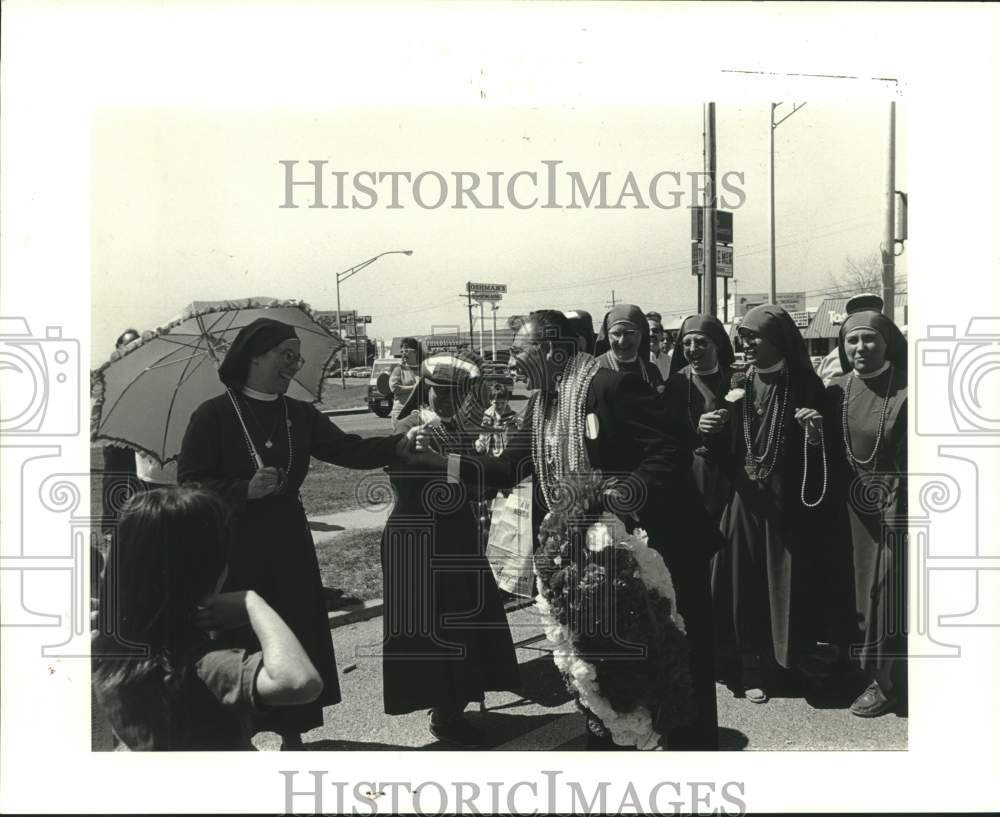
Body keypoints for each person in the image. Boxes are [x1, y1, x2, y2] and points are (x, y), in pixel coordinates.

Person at [414, 311, 721, 750]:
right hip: (591, 556)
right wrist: (437, 462)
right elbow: (506, 468)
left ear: (553, 351)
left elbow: (670, 448)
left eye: (518, 351)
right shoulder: (542, 402)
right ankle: (618, 747)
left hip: (658, 549)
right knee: (604, 665)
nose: (510, 362)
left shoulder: (609, 386)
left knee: (673, 662)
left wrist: (618, 496)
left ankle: (691, 762)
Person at [178, 317, 412, 749]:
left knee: (293, 630)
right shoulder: (212, 414)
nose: (294, 366)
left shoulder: (299, 414)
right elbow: (190, 484)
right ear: (255, 357)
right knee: (241, 637)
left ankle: (293, 735)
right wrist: (241, 489)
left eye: (297, 358)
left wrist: (397, 444)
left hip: (288, 544)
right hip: (233, 548)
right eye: (286, 356)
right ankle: (239, 736)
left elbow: (349, 449)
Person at [92, 487, 322, 750]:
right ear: (215, 572)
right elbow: (301, 682)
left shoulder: (110, 655)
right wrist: (253, 603)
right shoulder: (205, 668)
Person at [382, 353, 520, 747]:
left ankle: (453, 707)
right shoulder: (410, 426)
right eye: (441, 392)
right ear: (427, 390)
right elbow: (404, 477)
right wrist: (411, 452)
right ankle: (442, 709)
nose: (448, 400)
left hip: (457, 535)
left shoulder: (460, 428)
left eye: (457, 393)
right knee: (431, 630)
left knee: (465, 627)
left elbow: (476, 482)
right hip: (418, 538)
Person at [712, 304, 835, 704]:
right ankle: (750, 666)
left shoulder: (804, 383)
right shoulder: (736, 381)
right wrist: (712, 429)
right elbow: (724, 447)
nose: (745, 344)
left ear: (777, 341)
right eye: (743, 337)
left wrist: (814, 435)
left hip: (786, 504)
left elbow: (823, 449)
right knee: (742, 581)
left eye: (754, 337)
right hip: (745, 500)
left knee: (787, 583)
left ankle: (791, 661)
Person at [822, 300, 908, 717]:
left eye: (869, 338)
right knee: (850, 590)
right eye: (851, 339)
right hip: (847, 508)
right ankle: (855, 666)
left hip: (893, 505)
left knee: (884, 592)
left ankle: (885, 683)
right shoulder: (835, 390)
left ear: (887, 342)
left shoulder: (909, 389)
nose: (860, 346)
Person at [663, 314, 736, 522]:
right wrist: (696, 427)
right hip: (693, 473)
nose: (693, 349)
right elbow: (666, 435)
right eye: (687, 343)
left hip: (731, 473)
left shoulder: (735, 379)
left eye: (701, 342)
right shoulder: (675, 383)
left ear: (718, 345)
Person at [595, 304, 665, 392]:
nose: (622, 341)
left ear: (641, 334)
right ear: (607, 335)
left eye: (629, 333)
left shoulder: (651, 371)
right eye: (616, 334)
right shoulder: (595, 369)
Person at [475, 383, 519, 457]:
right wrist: (479, 442)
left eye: (503, 403)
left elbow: (518, 437)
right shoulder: (487, 414)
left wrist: (520, 426)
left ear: (507, 401)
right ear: (491, 401)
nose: (500, 406)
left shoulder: (512, 416)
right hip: (491, 453)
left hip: (507, 453)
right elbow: (483, 433)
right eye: (496, 403)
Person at [388, 337, 421, 423]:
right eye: (402, 352)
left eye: (406, 351)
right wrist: (414, 387)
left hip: (418, 413)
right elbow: (394, 388)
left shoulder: (423, 370)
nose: (403, 354)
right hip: (400, 413)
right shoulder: (398, 369)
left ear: (415, 352)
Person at [647, 314, 672, 381]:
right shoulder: (638, 360)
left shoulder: (669, 361)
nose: (651, 334)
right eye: (647, 331)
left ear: (661, 335)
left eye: (655, 330)